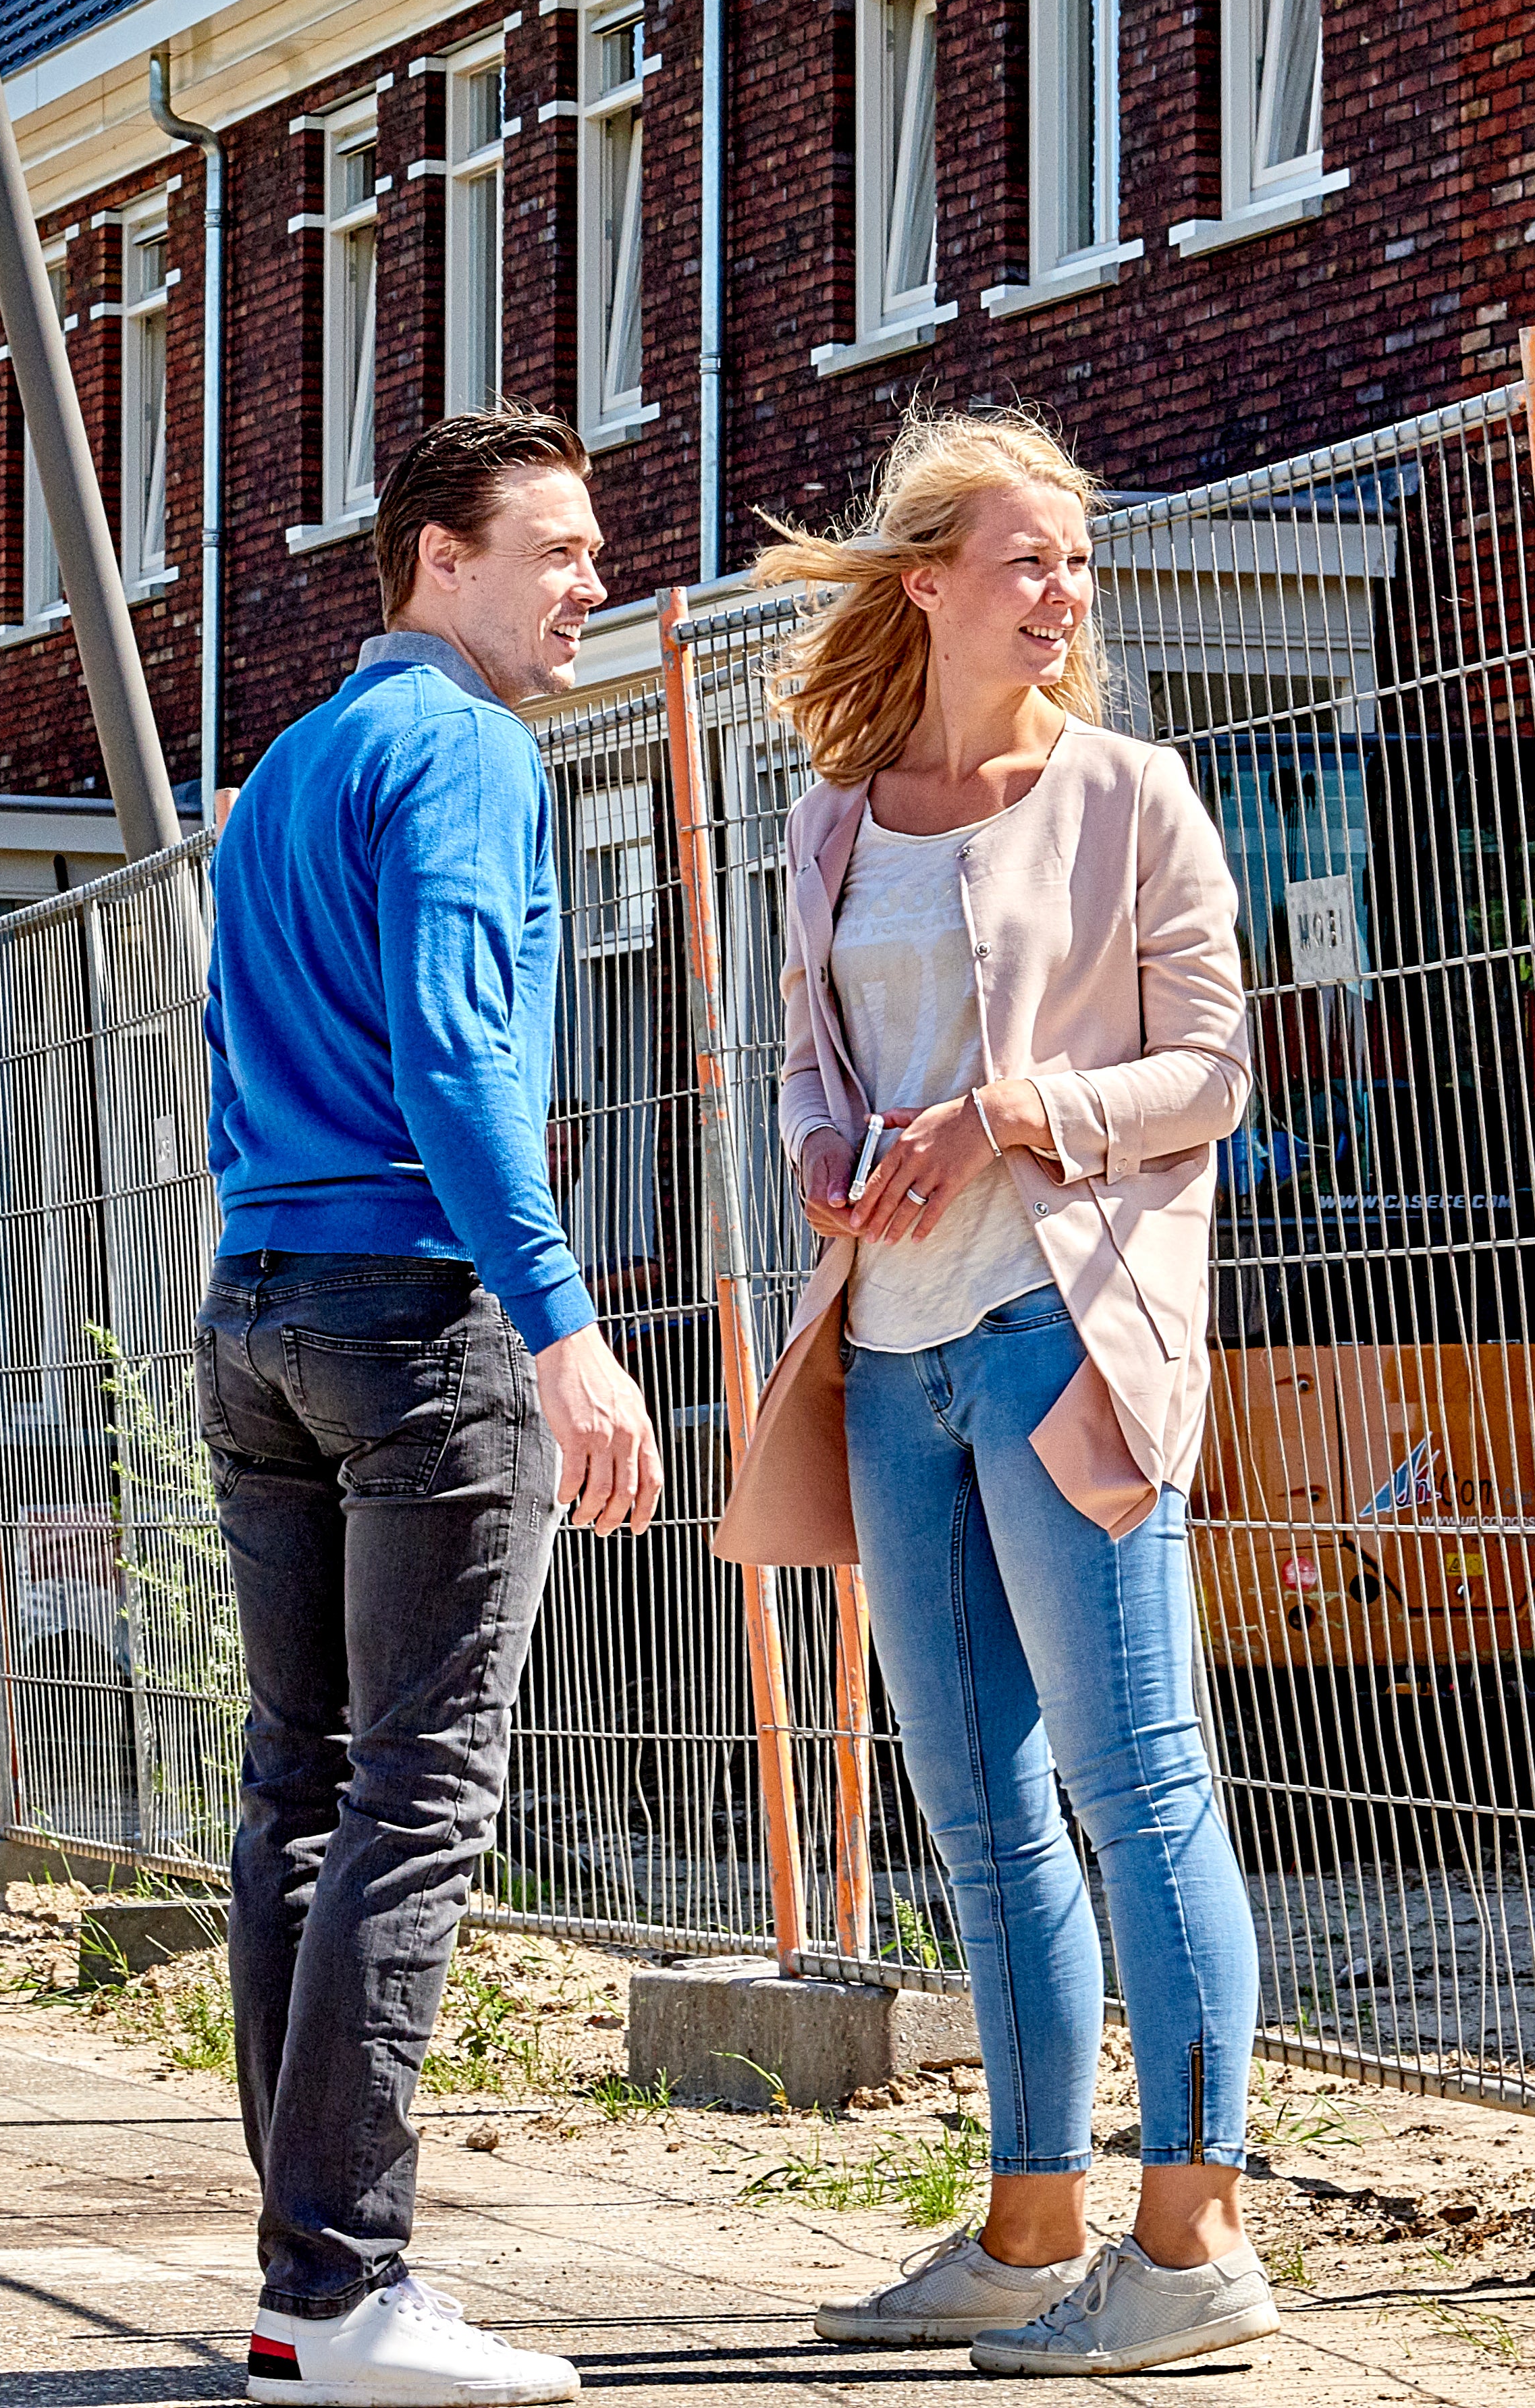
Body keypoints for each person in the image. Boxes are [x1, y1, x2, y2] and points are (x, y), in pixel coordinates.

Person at [707, 410, 1270, 2378]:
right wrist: (822, 1146)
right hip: (889, 1353)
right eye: (1028, 558)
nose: (1065, 592)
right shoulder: (840, 811)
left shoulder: (1134, 798)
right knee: (976, 1804)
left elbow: (1210, 1074)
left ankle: (1190, 2241)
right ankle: (1034, 2225)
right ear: (927, 579)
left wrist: (1016, 1109)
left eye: (1079, 564)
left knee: (1138, 1784)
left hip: (1061, 1345)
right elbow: (796, 1058)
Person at [201, 407, 668, 2408]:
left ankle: (307, 2280)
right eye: (554, 549)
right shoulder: (466, 749)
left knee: (296, 1792)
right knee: (417, 1791)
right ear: (435, 560)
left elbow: (240, 1045)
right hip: (413, 1319)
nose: (590, 582)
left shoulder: (290, 768)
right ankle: (345, 2285)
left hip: (257, 1303)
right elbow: (463, 1058)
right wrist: (563, 1326)